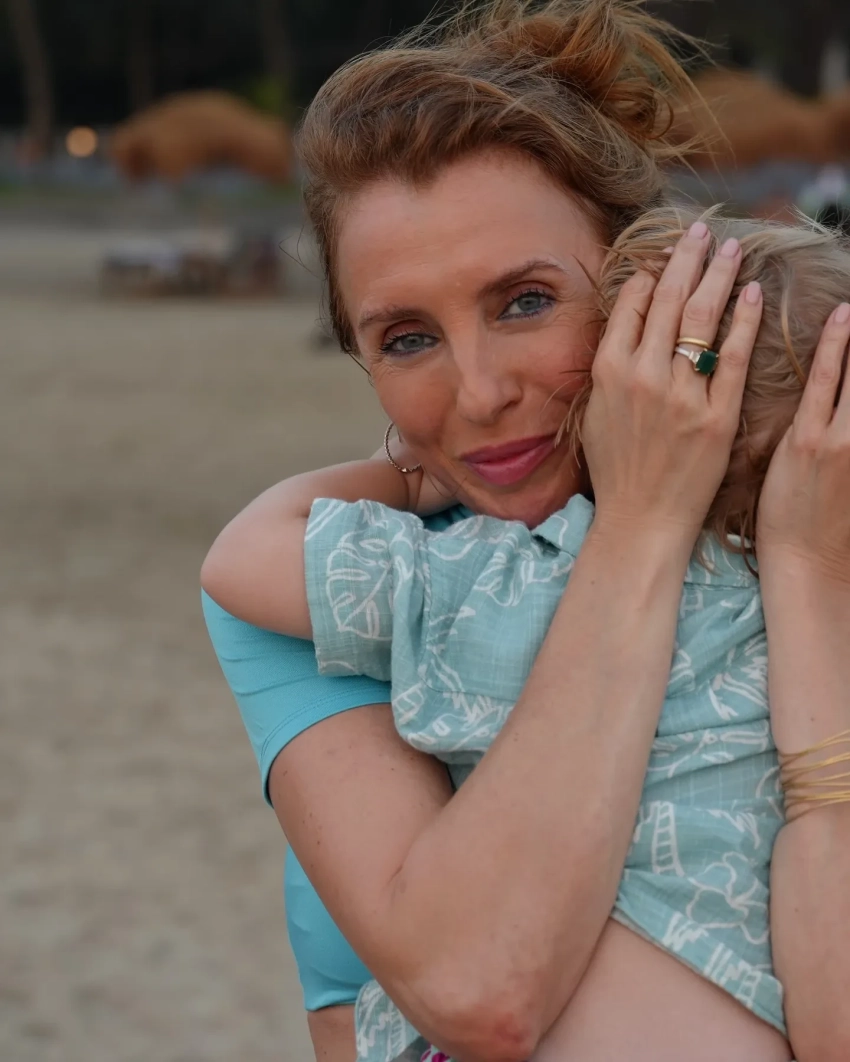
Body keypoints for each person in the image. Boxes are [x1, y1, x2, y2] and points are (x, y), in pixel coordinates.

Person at [202, 3, 850, 1060]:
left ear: (644, 282)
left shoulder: (808, 540)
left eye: (524, 303)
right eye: (406, 338)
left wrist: (808, 580)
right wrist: (641, 521)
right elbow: (480, 993)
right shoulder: (344, 590)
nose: (480, 393)